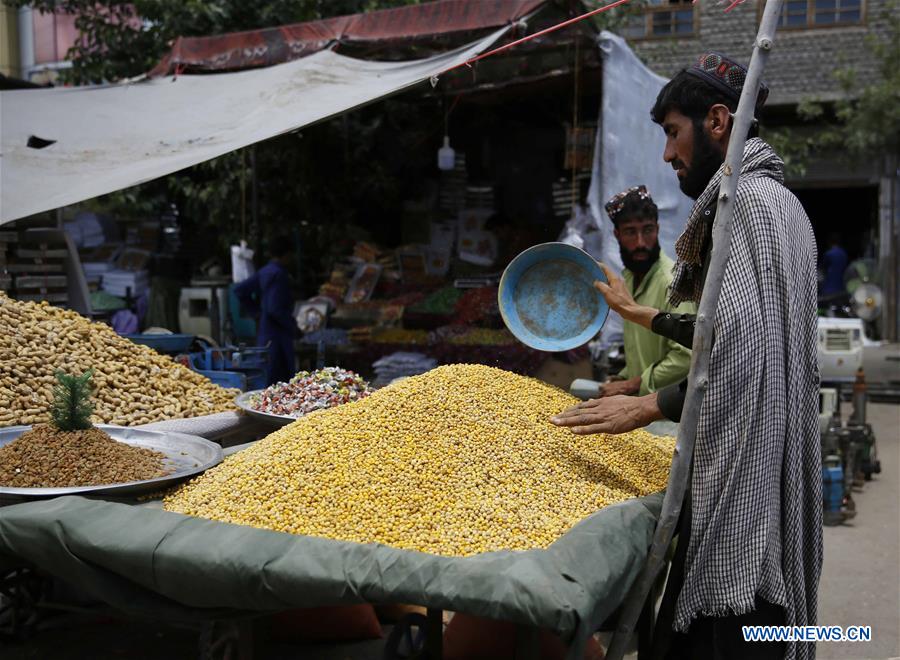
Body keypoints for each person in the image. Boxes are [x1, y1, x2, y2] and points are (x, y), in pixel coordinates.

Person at [552, 52, 822, 660]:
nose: (670, 154)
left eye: (674, 133)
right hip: (759, 455)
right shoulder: (777, 206)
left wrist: (649, 404)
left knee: (729, 625)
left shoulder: (750, 206)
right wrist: (639, 317)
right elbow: (723, 331)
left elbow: (744, 353)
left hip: (744, 482)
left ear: (718, 122)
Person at [600, 185, 694, 397]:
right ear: (617, 235)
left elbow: (686, 356)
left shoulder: (672, 283)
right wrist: (623, 377)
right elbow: (644, 353)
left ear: (658, 230)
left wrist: (632, 385)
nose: (640, 243)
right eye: (630, 232)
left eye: (648, 230)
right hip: (639, 409)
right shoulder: (629, 278)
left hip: (667, 414)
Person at [234, 236, 296, 385]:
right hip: (277, 336)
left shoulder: (265, 271)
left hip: (265, 332)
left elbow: (240, 290)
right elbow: (275, 309)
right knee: (278, 382)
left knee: (266, 379)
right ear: (287, 254)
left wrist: (256, 312)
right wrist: (293, 326)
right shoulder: (279, 274)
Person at [820, 232, 848, 296]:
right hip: (841, 286)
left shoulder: (828, 254)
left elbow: (822, 269)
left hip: (828, 287)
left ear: (829, 242)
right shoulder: (843, 253)